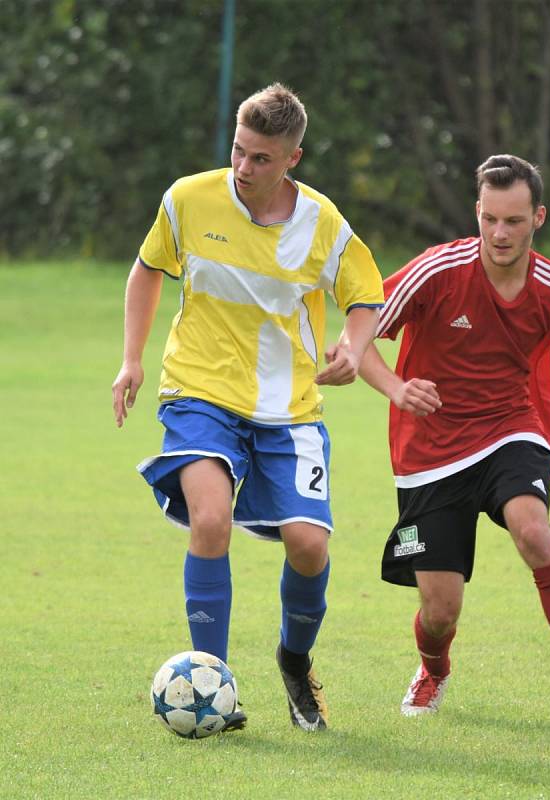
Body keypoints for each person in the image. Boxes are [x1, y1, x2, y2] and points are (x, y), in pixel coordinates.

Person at [112, 83, 383, 732]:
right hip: (199, 393)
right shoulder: (188, 199)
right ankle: (213, 682)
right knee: (210, 520)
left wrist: (353, 346)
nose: (243, 168)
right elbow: (150, 268)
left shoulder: (322, 225)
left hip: (289, 410)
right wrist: (132, 359)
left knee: (309, 546)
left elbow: (365, 296)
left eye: (261, 158)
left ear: (293, 158)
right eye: (238, 150)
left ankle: (294, 659)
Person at [359, 154, 550, 724]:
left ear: (538, 217)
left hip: (511, 429)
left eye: (513, 220)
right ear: (477, 213)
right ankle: (433, 670)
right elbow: (358, 329)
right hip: (429, 449)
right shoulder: (438, 271)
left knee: (533, 531)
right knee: (440, 609)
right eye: (489, 219)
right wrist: (395, 386)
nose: (499, 233)